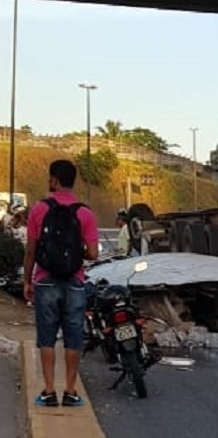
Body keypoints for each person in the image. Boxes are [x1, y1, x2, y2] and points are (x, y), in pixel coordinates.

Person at [23, 160, 99, 408]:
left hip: (45, 282)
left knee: (46, 337)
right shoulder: (85, 213)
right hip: (74, 282)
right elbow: (93, 253)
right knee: (73, 337)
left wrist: (27, 281)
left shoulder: (39, 209)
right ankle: (69, 390)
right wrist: (75, 255)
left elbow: (31, 251)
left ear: (54, 180)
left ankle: (48, 391)